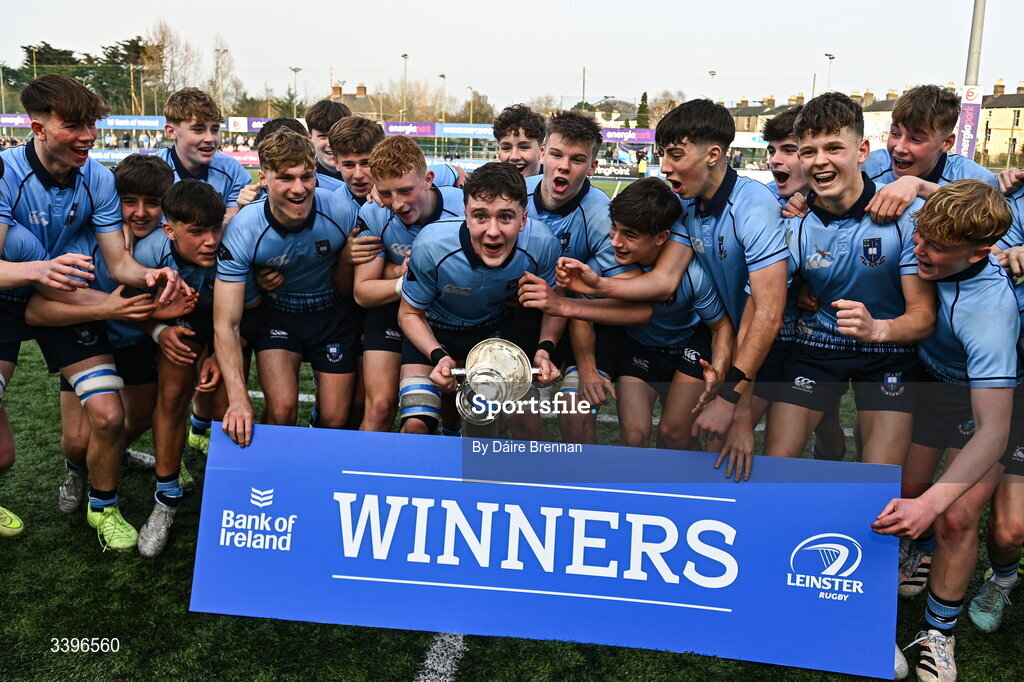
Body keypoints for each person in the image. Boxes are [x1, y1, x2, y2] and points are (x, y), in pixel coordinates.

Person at [0, 74, 186, 550]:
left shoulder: (99, 178)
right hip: (9, 298)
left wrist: (151, 278)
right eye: (73, 125)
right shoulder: (5, 174)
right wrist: (40, 270)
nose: (88, 136)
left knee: (108, 416)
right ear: (37, 128)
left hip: (67, 302)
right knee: (2, 456)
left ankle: (102, 509)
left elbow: (120, 260)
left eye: (92, 125)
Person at [557, 99, 789, 479]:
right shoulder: (687, 205)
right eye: (664, 153)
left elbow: (768, 313)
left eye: (675, 154)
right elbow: (664, 282)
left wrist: (736, 404)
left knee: (738, 444)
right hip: (728, 334)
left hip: (772, 341)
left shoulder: (752, 205)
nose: (665, 166)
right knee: (685, 433)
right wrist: (597, 283)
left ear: (713, 154)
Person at [869, 180, 1016, 682]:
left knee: (953, 513)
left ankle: (938, 632)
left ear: (980, 251)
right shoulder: (958, 219)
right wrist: (914, 183)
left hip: (990, 398)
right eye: (920, 236)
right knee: (902, 490)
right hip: (934, 380)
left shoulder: (991, 316)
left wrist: (929, 506)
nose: (918, 250)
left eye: (934, 247)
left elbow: (993, 433)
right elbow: (970, 192)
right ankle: (919, 549)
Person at [765, 92, 935, 466]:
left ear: (862, 151)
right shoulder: (793, 222)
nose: (820, 161)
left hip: (890, 350)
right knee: (774, 466)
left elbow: (923, 316)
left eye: (834, 148)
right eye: (808, 151)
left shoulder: (908, 216)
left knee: (876, 480)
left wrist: (877, 329)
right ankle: (830, 449)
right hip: (818, 344)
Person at [520, 177, 735, 450]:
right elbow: (582, 318)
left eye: (630, 235)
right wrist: (587, 369)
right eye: (614, 228)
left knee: (675, 435)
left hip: (686, 348)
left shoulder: (691, 274)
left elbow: (720, 326)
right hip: (638, 349)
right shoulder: (602, 262)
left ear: (661, 238)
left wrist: (718, 366)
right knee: (633, 439)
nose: (616, 242)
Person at [133, 180, 264, 556]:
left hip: (229, 322)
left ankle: (237, 504)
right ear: (169, 230)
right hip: (182, 325)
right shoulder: (148, 252)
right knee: (173, 394)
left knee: (227, 404)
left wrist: (226, 352)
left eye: (215, 228)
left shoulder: (232, 246)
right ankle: (166, 497)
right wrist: (158, 331)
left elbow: (252, 315)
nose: (210, 240)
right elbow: (126, 306)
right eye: (196, 232)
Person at [215, 129, 358, 446]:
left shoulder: (341, 211)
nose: (299, 188)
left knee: (335, 420)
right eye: (286, 178)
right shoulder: (243, 230)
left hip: (332, 312)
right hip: (279, 314)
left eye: (306, 176)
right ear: (263, 178)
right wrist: (238, 399)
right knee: (281, 410)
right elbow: (226, 323)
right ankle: (268, 480)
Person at [397, 161, 562, 436]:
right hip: (433, 333)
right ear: (465, 215)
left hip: (490, 337)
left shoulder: (542, 244)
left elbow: (554, 306)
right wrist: (438, 355)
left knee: (495, 431)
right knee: (415, 429)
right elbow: (409, 314)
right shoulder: (430, 245)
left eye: (506, 217)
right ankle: (449, 434)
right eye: (480, 216)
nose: (493, 231)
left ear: (523, 219)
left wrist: (544, 351)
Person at [352, 136, 465, 432]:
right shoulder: (374, 213)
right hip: (391, 311)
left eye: (405, 190)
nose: (398, 203)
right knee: (380, 409)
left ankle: (451, 438)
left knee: (454, 408)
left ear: (428, 180)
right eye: (387, 193)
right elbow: (363, 293)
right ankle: (361, 478)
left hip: (451, 313)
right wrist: (407, 280)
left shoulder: (465, 207)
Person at [153, 87, 250, 222]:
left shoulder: (232, 170)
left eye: (215, 130)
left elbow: (231, 221)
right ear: (171, 132)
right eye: (198, 130)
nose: (210, 138)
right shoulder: (151, 172)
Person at [328, 116, 465, 208]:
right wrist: (345, 252)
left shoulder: (413, 177)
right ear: (336, 162)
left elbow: (457, 172)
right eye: (349, 165)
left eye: (366, 163)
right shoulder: (335, 206)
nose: (358, 175)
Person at [304, 99, 353, 191]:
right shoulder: (301, 182)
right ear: (310, 139)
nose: (330, 143)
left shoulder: (369, 180)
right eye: (323, 136)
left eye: (339, 136)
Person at [493, 103, 545, 178]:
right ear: (499, 152)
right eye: (506, 148)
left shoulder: (559, 186)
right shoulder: (489, 186)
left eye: (524, 147)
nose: (514, 157)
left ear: (542, 152)